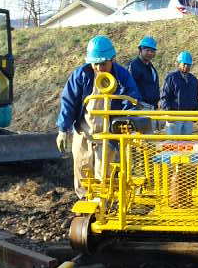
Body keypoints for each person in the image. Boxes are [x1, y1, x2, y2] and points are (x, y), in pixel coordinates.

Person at [56, 35, 141, 198]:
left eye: (103, 64)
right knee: (82, 167)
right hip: (84, 130)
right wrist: (62, 129)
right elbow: (69, 102)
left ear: (112, 59)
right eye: (95, 64)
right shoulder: (81, 75)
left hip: (108, 133)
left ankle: (102, 202)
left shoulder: (122, 76)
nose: (99, 68)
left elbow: (132, 99)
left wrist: (125, 119)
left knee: (104, 172)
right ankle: (84, 200)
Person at [160, 51, 198, 134]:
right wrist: (168, 113)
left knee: (186, 141)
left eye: (188, 64)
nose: (186, 66)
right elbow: (164, 97)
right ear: (179, 64)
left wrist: (196, 112)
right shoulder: (172, 77)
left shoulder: (193, 80)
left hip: (189, 116)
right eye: (184, 64)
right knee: (173, 141)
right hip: (175, 115)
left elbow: (195, 98)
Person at [126, 36, 160, 109]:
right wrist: (136, 103)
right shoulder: (134, 66)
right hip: (139, 106)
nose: (150, 53)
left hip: (152, 106)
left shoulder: (151, 68)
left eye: (152, 51)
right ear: (140, 50)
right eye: (147, 50)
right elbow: (129, 87)